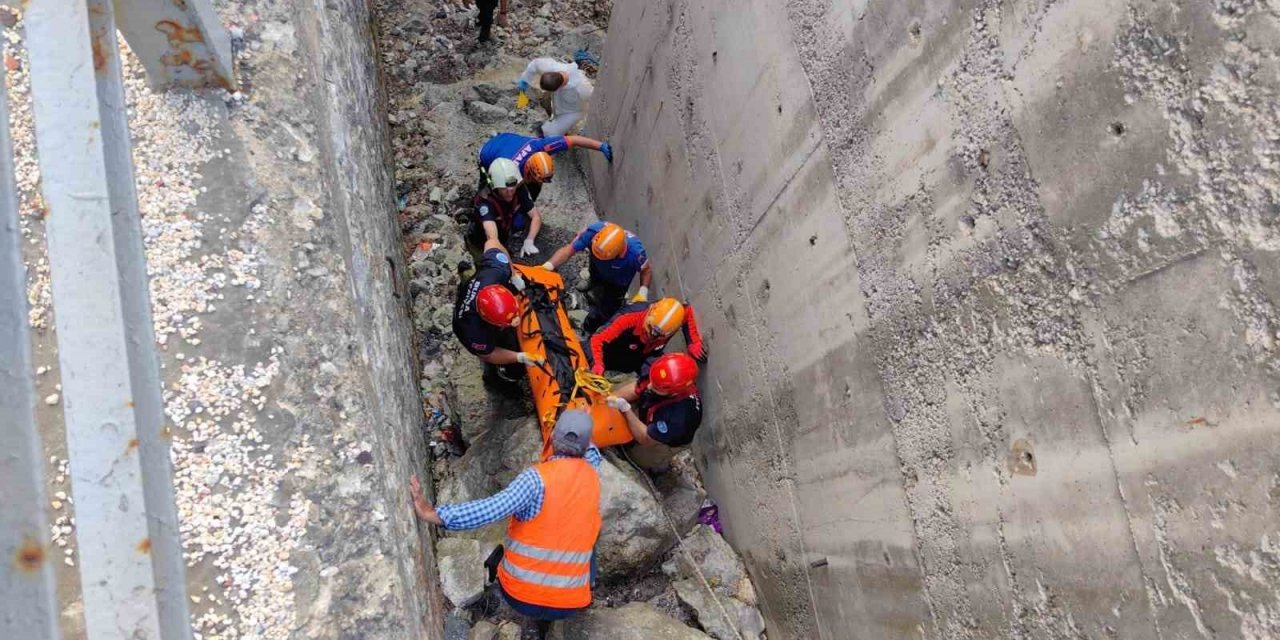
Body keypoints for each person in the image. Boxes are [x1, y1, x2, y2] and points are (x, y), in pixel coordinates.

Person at [409, 410, 603, 639]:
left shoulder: (535, 480)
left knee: (520, 529)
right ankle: (586, 588)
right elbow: (592, 452)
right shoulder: (594, 474)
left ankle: (530, 621)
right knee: (590, 531)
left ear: (552, 437)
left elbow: (490, 510)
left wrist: (435, 514)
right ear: (586, 444)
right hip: (571, 603)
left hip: (521, 598)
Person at [452, 235, 543, 385]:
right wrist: (519, 357)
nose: (516, 321)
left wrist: (513, 275)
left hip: (481, 284)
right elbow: (488, 354)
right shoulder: (473, 331)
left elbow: (492, 242)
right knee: (510, 359)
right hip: (468, 322)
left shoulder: (495, 271)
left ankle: (466, 276)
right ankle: (499, 377)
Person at [542, 222, 651, 334]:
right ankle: (592, 283)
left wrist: (643, 292)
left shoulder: (636, 253)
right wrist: (549, 265)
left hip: (618, 282)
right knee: (594, 275)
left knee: (607, 308)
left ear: (619, 252)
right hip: (596, 267)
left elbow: (646, 270)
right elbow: (568, 250)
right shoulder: (593, 232)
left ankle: (589, 327)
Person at [477, 132, 613, 204]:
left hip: (506, 139)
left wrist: (601, 146)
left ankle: (526, 205)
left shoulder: (542, 146)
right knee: (499, 192)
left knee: (529, 189)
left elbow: (573, 140)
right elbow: (507, 194)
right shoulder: (510, 169)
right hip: (487, 154)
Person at [587, 297, 708, 376]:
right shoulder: (628, 318)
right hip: (615, 350)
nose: (652, 335)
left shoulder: (674, 318)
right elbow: (598, 339)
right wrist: (598, 363)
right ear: (650, 311)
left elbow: (687, 311)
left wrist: (693, 342)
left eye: (658, 334)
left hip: (642, 357)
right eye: (650, 329)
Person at [607, 353, 703, 448]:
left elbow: (646, 439)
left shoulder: (678, 419)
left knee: (636, 453)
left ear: (673, 393)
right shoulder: (661, 371)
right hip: (652, 407)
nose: (649, 386)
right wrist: (611, 398)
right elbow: (638, 388)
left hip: (661, 439)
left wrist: (626, 410)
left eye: (656, 388)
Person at [469, 157, 544, 259]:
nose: (510, 193)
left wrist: (529, 240)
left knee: (520, 221)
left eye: (513, 189)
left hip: (504, 228)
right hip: (482, 240)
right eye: (505, 190)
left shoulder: (519, 189)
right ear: (496, 186)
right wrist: (511, 268)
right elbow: (492, 239)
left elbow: (536, 216)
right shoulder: (485, 202)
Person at [515, 57, 593, 137]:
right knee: (545, 102)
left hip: (572, 112)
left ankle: (566, 134)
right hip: (556, 101)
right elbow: (535, 64)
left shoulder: (582, 87)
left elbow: (594, 101)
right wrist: (525, 79)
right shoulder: (551, 67)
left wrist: (589, 125)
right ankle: (555, 121)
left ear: (559, 88)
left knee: (550, 134)